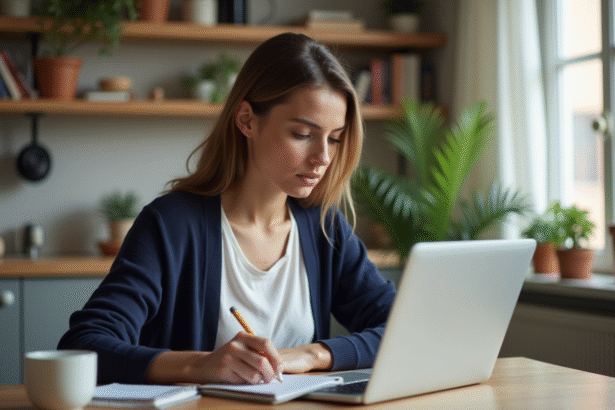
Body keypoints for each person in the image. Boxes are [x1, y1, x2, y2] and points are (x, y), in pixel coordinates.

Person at [58, 32, 396, 385]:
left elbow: (402, 326)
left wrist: (313, 354)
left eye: (334, 138)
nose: (323, 158)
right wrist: (199, 365)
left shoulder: (325, 228)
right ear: (247, 119)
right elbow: (83, 347)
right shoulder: (171, 225)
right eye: (302, 134)